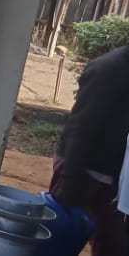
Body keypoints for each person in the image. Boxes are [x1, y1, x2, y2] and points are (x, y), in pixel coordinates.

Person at [50, 43, 129, 256]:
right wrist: (69, 182)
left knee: (111, 245)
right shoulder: (109, 69)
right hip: (81, 170)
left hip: (113, 177)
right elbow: (80, 127)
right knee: (59, 236)